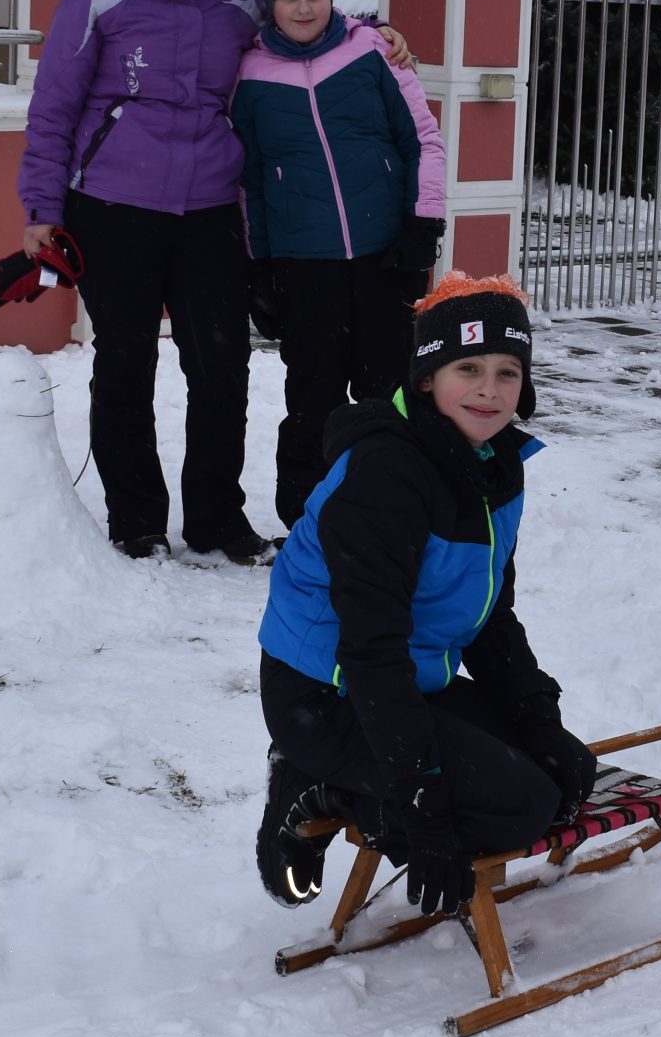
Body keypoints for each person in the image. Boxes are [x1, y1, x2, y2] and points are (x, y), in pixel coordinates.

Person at [11, 0, 406, 564]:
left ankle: (218, 520)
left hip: (211, 212)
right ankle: (136, 519)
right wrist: (42, 205)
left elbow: (303, 27)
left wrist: (372, 33)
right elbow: (54, 108)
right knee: (124, 363)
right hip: (113, 205)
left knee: (222, 368)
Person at [250, 275, 598, 918]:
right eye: (467, 367)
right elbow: (369, 646)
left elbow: (490, 615)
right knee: (513, 808)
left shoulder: (494, 464)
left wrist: (535, 718)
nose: (489, 389)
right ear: (428, 378)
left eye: (507, 371)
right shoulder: (386, 475)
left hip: (406, 682)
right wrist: (418, 805)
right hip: (327, 692)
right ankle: (317, 785)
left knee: (560, 777)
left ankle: (360, 778)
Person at [231, 0, 447, 534]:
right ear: (270, 4)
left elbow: (422, 141)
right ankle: (307, 516)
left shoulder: (374, 50)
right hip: (306, 263)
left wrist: (422, 226)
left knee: (391, 388)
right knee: (313, 395)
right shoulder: (249, 73)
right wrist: (260, 266)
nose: (304, 8)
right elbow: (249, 181)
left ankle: (401, 505)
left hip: (384, 254)